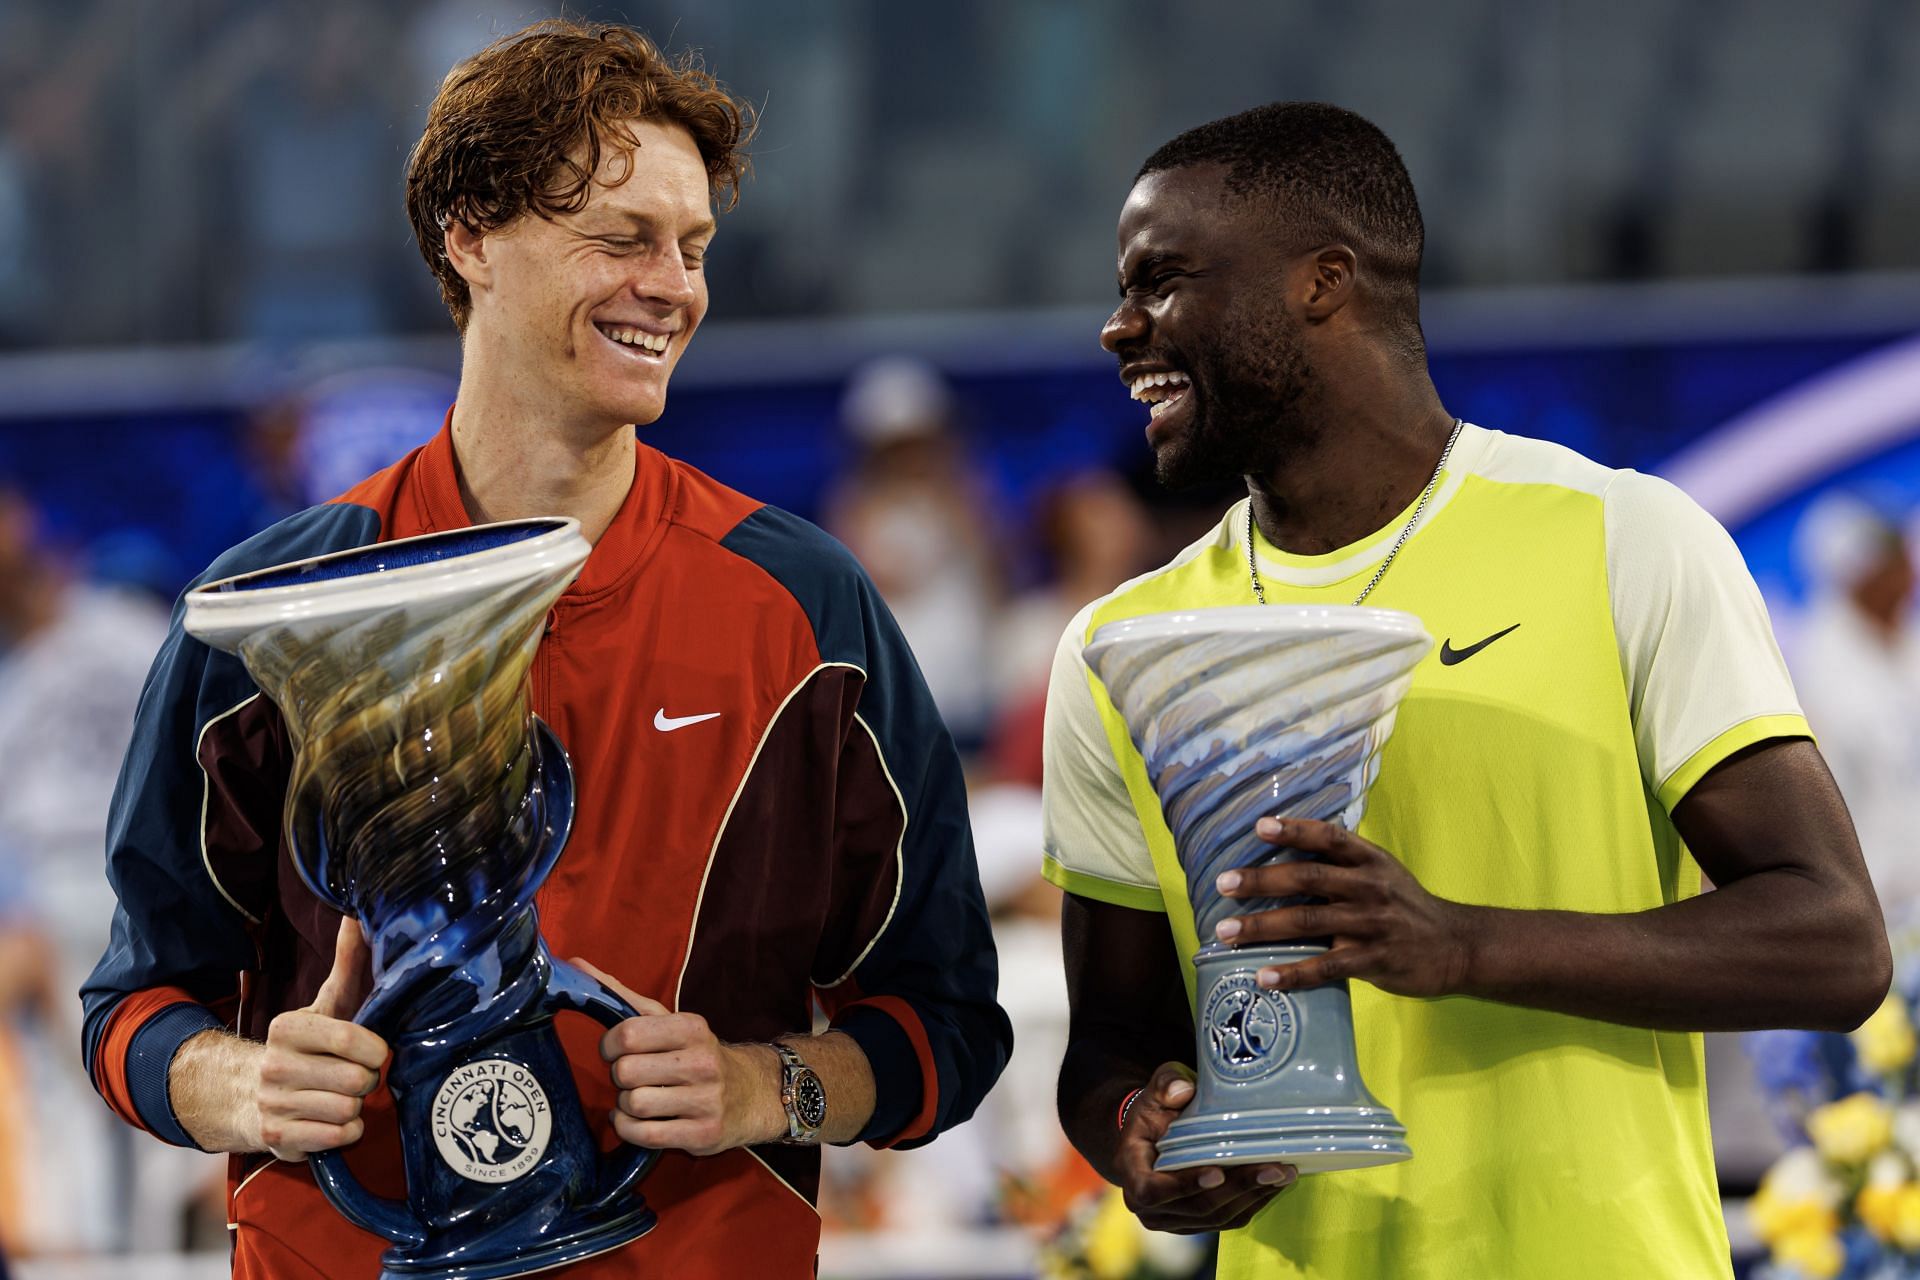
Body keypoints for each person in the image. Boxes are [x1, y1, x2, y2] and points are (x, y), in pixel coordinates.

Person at [81, 20, 1010, 1277]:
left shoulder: (805, 612)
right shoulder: (270, 610)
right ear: (471, 235)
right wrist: (242, 1083)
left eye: (691, 248)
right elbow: (131, 1008)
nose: (672, 285)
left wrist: (761, 1085)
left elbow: (947, 1025)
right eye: (620, 238)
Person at [1042, 102, 1889, 1279]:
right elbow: (1114, 1043)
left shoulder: (1624, 539)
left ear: (1323, 282)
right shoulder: (1117, 645)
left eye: (1162, 280)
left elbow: (1836, 942)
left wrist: (1461, 943)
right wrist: (1145, 1138)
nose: (1117, 326)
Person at [1788, 492, 1920, 920]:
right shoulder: (1818, 671)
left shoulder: (1908, 642)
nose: (1907, 570)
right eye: (1894, 559)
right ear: (1863, 571)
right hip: (1880, 906)